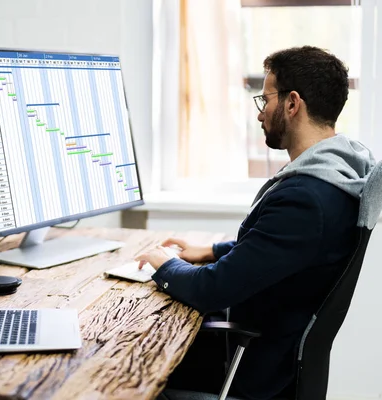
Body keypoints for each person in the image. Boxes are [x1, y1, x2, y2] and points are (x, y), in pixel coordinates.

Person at [136, 46, 376, 399]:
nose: (261, 115)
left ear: (292, 104)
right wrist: (211, 250)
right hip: (269, 362)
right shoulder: (339, 172)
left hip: (253, 378)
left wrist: (165, 265)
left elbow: (211, 290)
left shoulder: (306, 197)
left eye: (265, 101)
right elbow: (279, 252)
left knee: (125, 378)